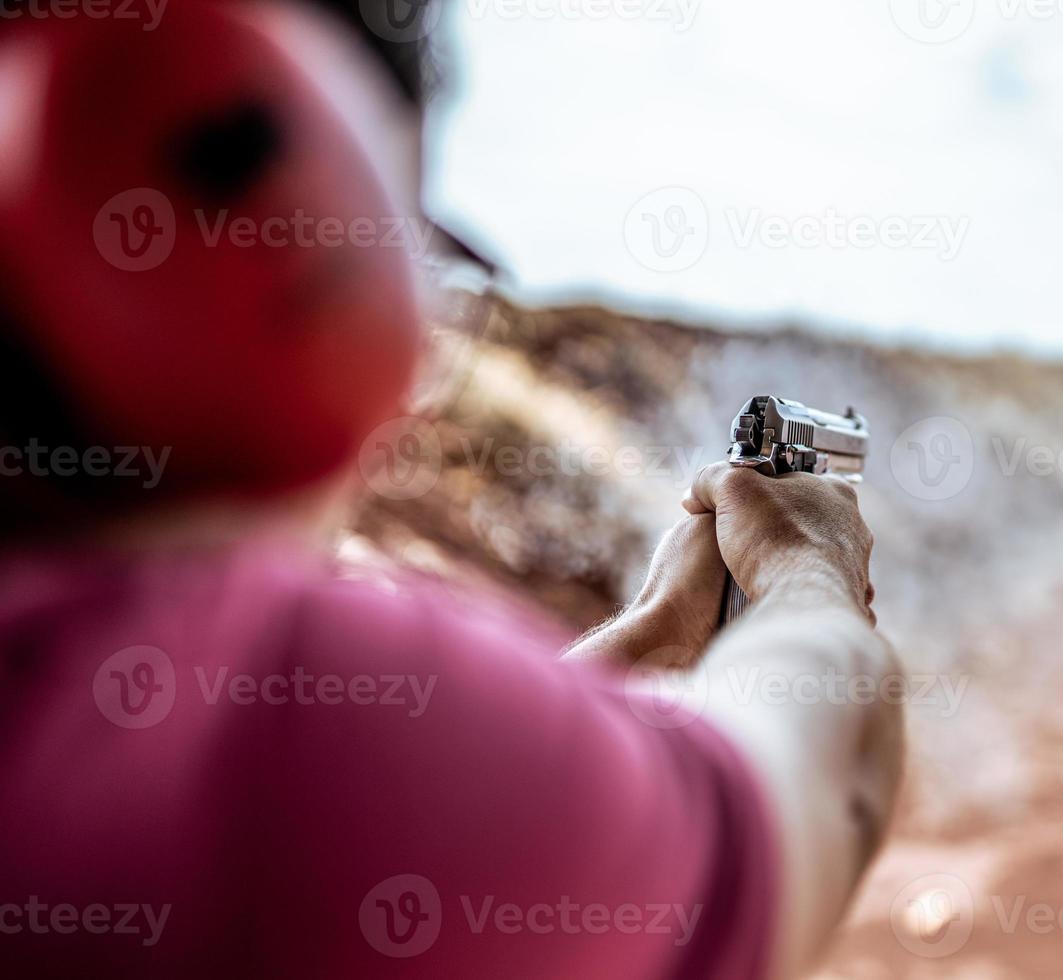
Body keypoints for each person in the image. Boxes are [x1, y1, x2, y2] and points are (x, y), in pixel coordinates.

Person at [0, 3, 903, 977]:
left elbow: (442, 792)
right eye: (405, 255)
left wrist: (654, 629)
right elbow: (816, 785)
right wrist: (808, 569)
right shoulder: (266, 717)